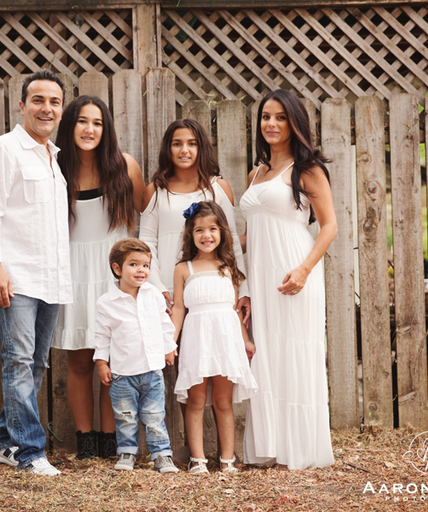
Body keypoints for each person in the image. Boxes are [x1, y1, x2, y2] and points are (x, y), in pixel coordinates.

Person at [0, 69, 70, 476]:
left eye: (54, 102)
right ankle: (31, 452)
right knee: (17, 360)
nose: (47, 108)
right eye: (39, 100)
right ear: (22, 105)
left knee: (36, 363)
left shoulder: (53, 157)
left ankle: (2, 441)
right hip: (16, 276)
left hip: (52, 277)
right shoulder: (2, 150)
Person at [240, 89, 337, 470]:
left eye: (280, 117)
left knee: (294, 353)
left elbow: (329, 226)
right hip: (260, 276)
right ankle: (270, 447)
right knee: (265, 354)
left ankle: (299, 450)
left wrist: (304, 269)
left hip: (293, 271)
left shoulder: (306, 169)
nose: (272, 124)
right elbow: (253, 233)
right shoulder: (256, 172)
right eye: (266, 116)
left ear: (294, 122)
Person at [52, 96, 146, 460]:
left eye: (97, 123)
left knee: (115, 360)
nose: (89, 129)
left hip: (114, 274)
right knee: (79, 362)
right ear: (69, 126)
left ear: (106, 129)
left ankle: (112, 440)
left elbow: (148, 213)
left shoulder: (125, 166)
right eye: (81, 121)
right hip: (74, 273)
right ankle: (85, 440)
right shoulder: (56, 167)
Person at [171, 201, 258, 474]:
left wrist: (245, 339)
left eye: (212, 229)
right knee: (195, 401)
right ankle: (198, 460)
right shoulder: (184, 268)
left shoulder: (228, 266)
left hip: (226, 338)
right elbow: (178, 308)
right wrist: (171, 340)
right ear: (190, 234)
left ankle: (227, 460)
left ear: (221, 232)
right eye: (199, 230)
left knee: (223, 401)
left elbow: (233, 309)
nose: (206, 235)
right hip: (197, 338)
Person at [139, 119, 250, 315]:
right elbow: (147, 244)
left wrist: (243, 289)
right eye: (177, 144)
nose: (184, 150)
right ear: (168, 148)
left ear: (202, 148)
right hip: (168, 289)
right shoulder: (155, 191)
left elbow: (231, 241)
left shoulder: (218, 188)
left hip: (210, 289)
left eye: (192, 143)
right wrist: (156, 286)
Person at [93, 238, 179, 474]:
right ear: (117, 268)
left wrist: (168, 347)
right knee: (125, 417)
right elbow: (102, 336)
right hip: (122, 375)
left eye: (146, 265)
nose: (141, 270)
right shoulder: (106, 303)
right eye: (134, 264)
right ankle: (127, 453)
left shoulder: (153, 296)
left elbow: (164, 324)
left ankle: (161, 455)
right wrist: (102, 362)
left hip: (152, 371)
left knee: (154, 416)